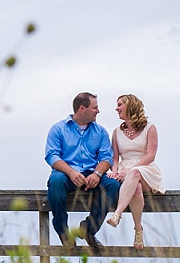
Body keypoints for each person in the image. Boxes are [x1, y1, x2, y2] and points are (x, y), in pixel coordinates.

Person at [45, 92, 121, 254]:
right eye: (95, 108)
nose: (98, 111)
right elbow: (51, 156)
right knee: (55, 182)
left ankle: (88, 229)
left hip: (92, 174)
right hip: (66, 173)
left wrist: (97, 174)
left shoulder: (100, 132)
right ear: (82, 108)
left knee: (113, 185)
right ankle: (64, 233)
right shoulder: (58, 129)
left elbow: (106, 157)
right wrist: (71, 172)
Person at [105, 94, 165, 249]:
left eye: (120, 105)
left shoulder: (150, 128)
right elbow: (115, 157)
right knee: (135, 188)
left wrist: (131, 170)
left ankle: (117, 214)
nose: (116, 108)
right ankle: (138, 229)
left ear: (130, 106)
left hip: (145, 169)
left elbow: (151, 155)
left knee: (135, 174)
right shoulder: (116, 132)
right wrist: (115, 171)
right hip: (125, 171)